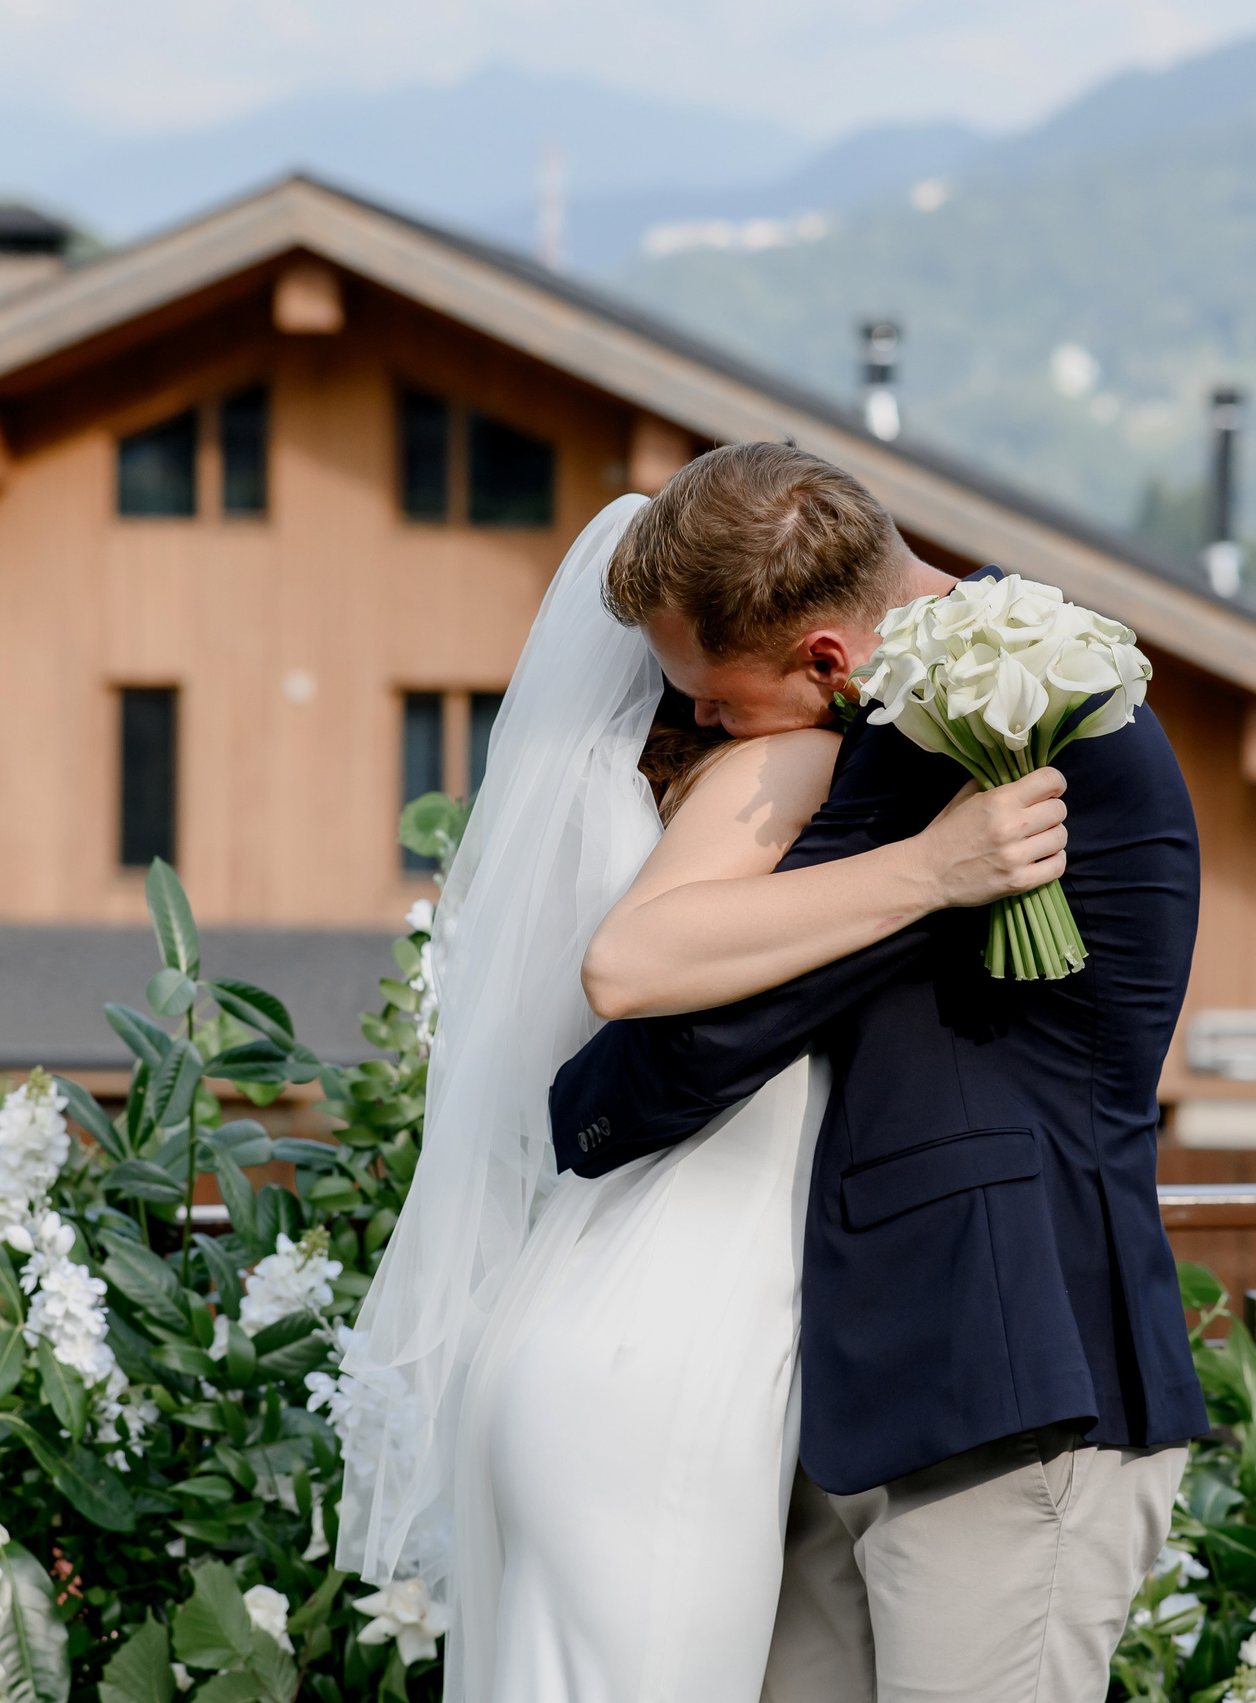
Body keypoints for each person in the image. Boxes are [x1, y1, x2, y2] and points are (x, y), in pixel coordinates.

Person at [327, 468, 1067, 1701]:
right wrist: (939, 868)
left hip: (572, 1322)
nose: (715, 715)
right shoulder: (790, 771)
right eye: (699, 696)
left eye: (714, 687)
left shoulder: (665, 808)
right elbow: (624, 965)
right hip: (663, 1358)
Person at [549, 443, 1208, 1703]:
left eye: (713, 698)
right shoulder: (942, 708)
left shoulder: (988, 732)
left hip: (1015, 1386)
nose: (696, 723)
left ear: (826, 663)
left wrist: (578, 1110)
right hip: (888, 1393)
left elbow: (673, 1025)